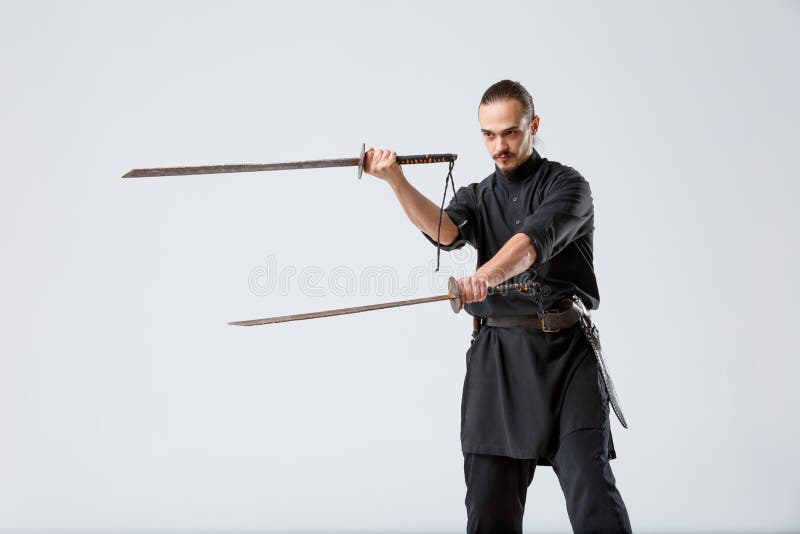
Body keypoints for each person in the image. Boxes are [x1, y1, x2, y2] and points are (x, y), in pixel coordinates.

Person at [363, 80, 631, 533]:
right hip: (497, 361)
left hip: (565, 359)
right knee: (489, 510)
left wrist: (484, 277)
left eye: (509, 132)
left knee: (592, 499)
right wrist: (396, 180)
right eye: (488, 134)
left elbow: (530, 245)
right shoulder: (478, 194)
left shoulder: (569, 188)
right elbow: (446, 232)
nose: (499, 146)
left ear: (533, 125)